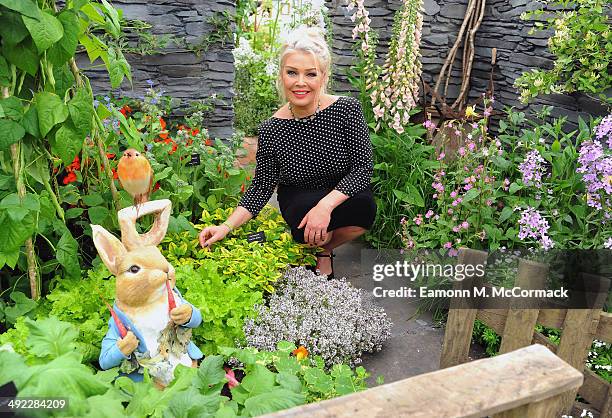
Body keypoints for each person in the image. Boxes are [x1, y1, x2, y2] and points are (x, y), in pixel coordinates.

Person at [199, 26, 376, 278]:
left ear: (323, 77)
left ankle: (323, 249)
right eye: (292, 72)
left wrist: (325, 207)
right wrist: (225, 227)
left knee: (364, 209)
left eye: (310, 74)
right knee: (308, 227)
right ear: (282, 75)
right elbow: (261, 187)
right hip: (300, 193)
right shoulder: (272, 128)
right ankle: (317, 247)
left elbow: (363, 168)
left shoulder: (346, 109)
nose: (300, 82)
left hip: (340, 188)